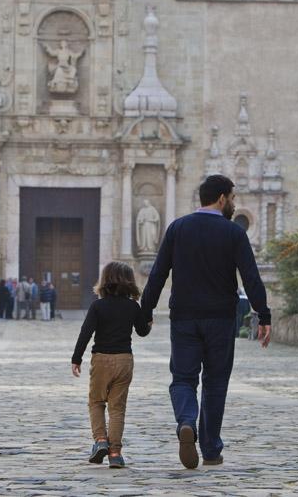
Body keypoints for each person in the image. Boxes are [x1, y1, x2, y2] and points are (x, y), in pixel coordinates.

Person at [141, 174, 272, 469]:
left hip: (184, 318)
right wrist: (263, 314)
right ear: (223, 198)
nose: (234, 204)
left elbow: (158, 274)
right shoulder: (233, 234)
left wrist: (145, 311)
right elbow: (251, 277)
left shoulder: (177, 228)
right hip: (220, 319)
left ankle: (187, 421)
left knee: (183, 378)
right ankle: (211, 449)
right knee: (215, 382)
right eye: (233, 198)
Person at [71, 262, 152, 469]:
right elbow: (142, 331)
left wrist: (76, 358)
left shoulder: (98, 306)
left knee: (96, 402)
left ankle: (100, 441)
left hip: (101, 359)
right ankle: (115, 453)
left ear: (104, 281)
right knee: (117, 408)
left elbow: (85, 332)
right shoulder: (132, 306)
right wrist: (148, 321)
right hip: (124, 360)